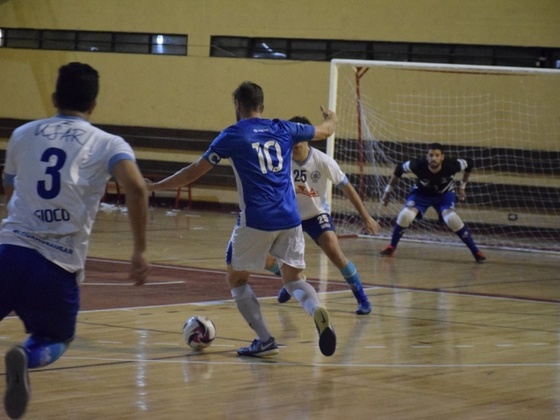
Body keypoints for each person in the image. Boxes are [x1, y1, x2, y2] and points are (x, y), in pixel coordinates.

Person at [0, 62, 150, 419]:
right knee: (56, 338)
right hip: (57, 264)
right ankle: (27, 355)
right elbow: (138, 188)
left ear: (53, 98)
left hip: (9, 252)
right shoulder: (108, 143)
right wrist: (140, 250)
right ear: (94, 105)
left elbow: (10, 190)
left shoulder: (22, 134)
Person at [146, 81, 338, 358]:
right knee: (294, 279)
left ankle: (265, 339)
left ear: (238, 105)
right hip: (290, 218)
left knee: (236, 279)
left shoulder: (232, 135)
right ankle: (316, 309)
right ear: (263, 106)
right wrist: (331, 117)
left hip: (257, 219)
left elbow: (193, 172)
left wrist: (153, 187)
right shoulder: (284, 128)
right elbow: (326, 130)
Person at [268, 116, 380, 315]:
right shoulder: (280, 160)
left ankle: (361, 298)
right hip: (288, 216)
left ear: (307, 138)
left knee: (335, 252)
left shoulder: (323, 161)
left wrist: (366, 216)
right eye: (291, 139)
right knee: (262, 254)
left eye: (299, 139)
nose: (295, 144)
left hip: (315, 214)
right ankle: (292, 282)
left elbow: (347, 188)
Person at [379, 142, 486, 263]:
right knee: (405, 215)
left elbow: (469, 163)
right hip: (421, 194)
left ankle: (475, 251)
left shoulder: (452, 165)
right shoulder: (417, 165)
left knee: (451, 218)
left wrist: (462, 186)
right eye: (431, 155)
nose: (433, 158)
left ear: (442, 157)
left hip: (444, 195)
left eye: (437, 155)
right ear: (427, 156)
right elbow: (399, 169)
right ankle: (391, 246)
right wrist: (387, 192)